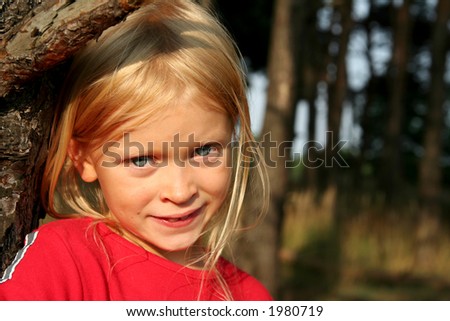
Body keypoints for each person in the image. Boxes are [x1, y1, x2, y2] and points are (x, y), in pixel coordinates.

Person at [0, 0, 270, 300]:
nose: (180, 192)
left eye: (204, 151)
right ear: (83, 157)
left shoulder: (249, 297)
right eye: (141, 159)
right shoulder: (61, 263)